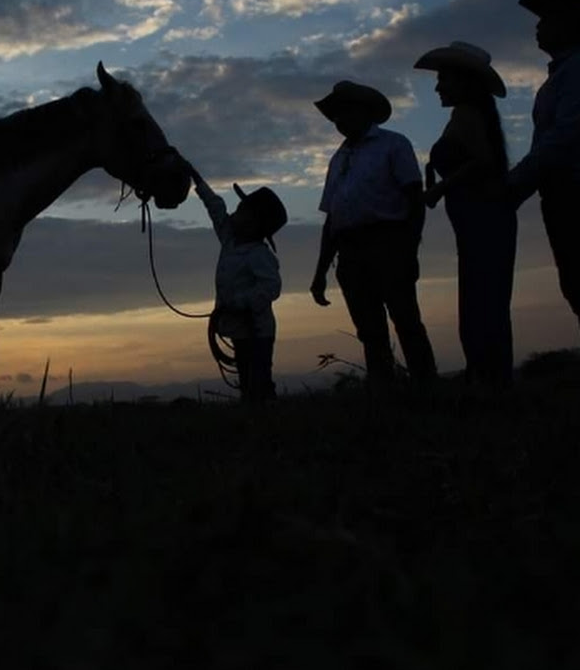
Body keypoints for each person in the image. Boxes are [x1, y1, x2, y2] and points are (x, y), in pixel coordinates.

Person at [310, 80, 437, 388]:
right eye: (335, 115)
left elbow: (413, 198)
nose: (339, 120)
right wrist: (320, 272)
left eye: (345, 112)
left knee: (406, 320)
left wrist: (409, 248)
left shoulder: (393, 145)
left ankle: (426, 386)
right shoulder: (338, 159)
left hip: (388, 243)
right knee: (369, 329)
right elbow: (333, 219)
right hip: (351, 252)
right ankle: (384, 389)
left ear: (364, 112)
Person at [414, 41, 517, 387]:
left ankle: (489, 379)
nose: (438, 86)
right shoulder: (472, 115)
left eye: (444, 78)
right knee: (485, 297)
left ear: (463, 81)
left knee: (482, 299)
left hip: (481, 217)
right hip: (479, 218)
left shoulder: (465, 115)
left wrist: (439, 190)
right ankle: (490, 377)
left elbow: (481, 162)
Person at [508, 0, 580, 325]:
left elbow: (564, 137)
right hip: (559, 193)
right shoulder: (557, 79)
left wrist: (514, 186)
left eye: (548, 19)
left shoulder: (575, 72)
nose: (538, 27)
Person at [188, 164, 287, 403]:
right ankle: (256, 410)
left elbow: (272, 287)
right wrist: (197, 180)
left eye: (241, 212)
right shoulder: (230, 240)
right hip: (240, 327)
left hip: (257, 329)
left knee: (258, 377)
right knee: (247, 376)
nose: (234, 214)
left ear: (254, 224)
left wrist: (241, 302)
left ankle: (264, 412)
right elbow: (216, 208)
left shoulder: (258, 255)